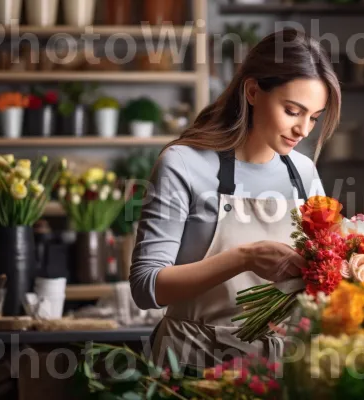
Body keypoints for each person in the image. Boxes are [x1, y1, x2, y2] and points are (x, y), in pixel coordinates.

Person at [129, 28, 341, 371]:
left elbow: (320, 276)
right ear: (253, 91)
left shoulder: (303, 172)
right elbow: (146, 287)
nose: (303, 129)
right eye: (292, 110)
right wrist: (244, 257)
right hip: (192, 362)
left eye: (313, 118)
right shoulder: (183, 163)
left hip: (278, 367)